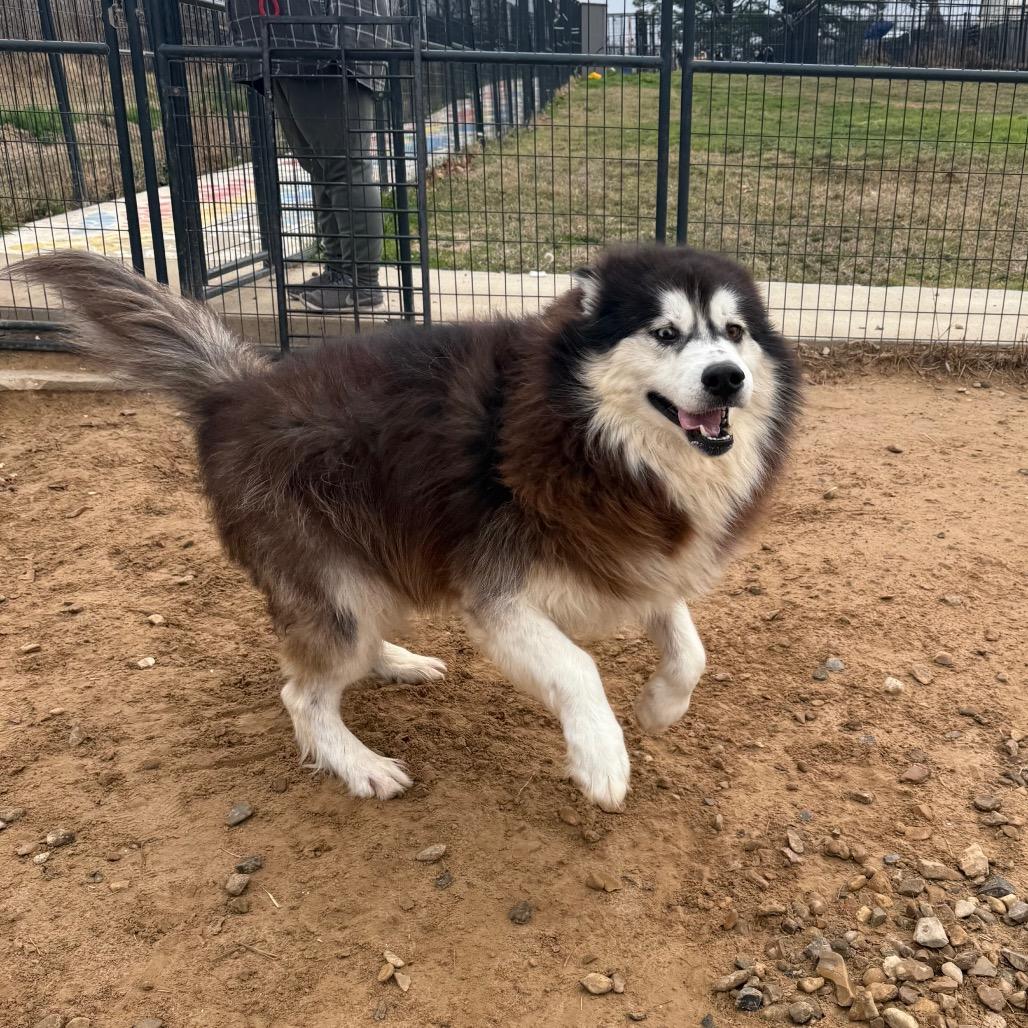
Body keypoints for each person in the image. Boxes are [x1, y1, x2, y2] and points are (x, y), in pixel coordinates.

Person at [227, 0, 393, 312]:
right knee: (320, 167)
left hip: (324, 36)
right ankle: (339, 272)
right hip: (282, 38)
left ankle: (362, 283)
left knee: (344, 166)